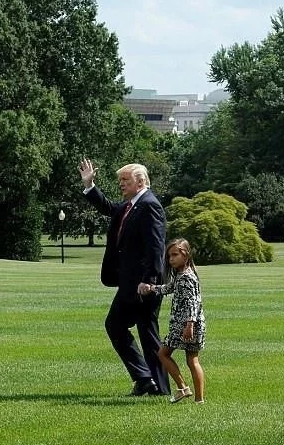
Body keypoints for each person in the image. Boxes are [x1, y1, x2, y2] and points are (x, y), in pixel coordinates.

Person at [79, 159, 169, 396]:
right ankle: (148, 381)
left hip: (143, 284)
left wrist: (149, 281)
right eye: (120, 180)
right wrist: (90, 186)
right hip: (131, 283)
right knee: (131, 329)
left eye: (125, 180)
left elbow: (156, 248)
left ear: (140, 182)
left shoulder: (150, 205)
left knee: (135, 329)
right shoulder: (131, 206)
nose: (121, 184)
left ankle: (151, 382)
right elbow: (110, 208)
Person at [139, 238, 206, 404]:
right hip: (193, 324)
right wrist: (152, 288)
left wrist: (189, 325)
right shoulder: (182, 275)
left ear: (186, 254)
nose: (171, 259)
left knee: (163, 353)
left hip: (185, 325)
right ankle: (199, 400)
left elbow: (193, 302)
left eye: (175, 255)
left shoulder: (186, 278)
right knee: (192, 360)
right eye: (169, 256)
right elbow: (168, 288)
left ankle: (183, 388)